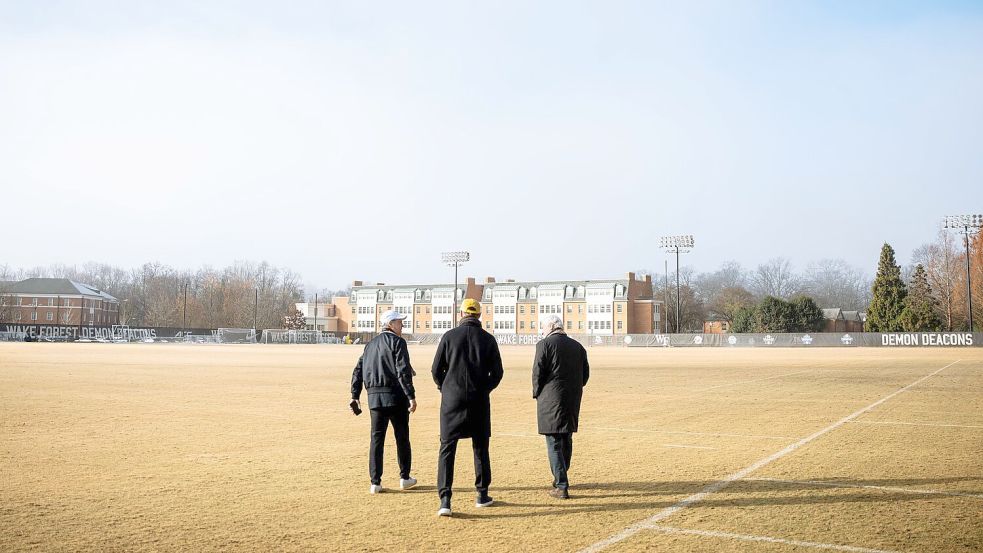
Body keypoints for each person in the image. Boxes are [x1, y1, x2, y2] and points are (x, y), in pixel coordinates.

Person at [431, 298, 504, 517]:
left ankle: (445, 500)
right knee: (480, 447)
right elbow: (498, 373)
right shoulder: (488, 339)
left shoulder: (448, 336)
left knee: (447, 449)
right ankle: (482, 494)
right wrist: (485, 389)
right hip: (478, 400)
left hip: (451, 400)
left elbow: (436, 370)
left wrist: (445, 387)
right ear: (479, 315)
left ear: (461, 314)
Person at [350, 309, 418, 494]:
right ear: (390, 324)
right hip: (396, 398)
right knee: (402, 438)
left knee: (376, 440)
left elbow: (358, 370)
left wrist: (355, 395)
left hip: (374, 399)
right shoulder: (398, 342)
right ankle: (404, 477)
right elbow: (402, 371)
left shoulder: (370, 345)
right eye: (399, 321)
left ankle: (375, 482)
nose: (402, 324)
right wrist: (411, 396)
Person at [532, 313, 589, 499]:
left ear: (550, 327)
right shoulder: (578, 347)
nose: (542, 331)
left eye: (543, 328)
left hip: (551, 399)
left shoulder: (544, 345)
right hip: (572, 398)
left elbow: (537, 372)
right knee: (566, 438)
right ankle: (560, 477)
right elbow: (585, 375)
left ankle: (561, 484)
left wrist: (537, 392)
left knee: (554, 441)